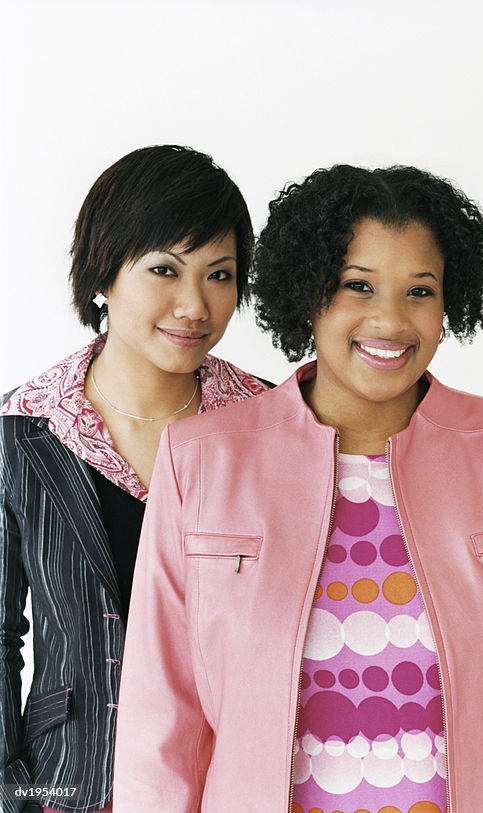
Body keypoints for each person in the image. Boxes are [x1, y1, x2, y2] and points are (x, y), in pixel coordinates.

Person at [112, 164, 483, 813]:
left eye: (420, 291)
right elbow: (159, 727)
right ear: (308, 293)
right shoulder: (200, 460)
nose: (390, 319)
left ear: (450, 303)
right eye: (358, 285)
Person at [0, 145, 267, 813]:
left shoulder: (269, 425)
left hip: (237, 783)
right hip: (75, 784)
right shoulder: (25, 428)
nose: (193, 304)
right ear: (102, 276)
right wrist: (14, 790)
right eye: (163, 270)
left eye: (219, 274)